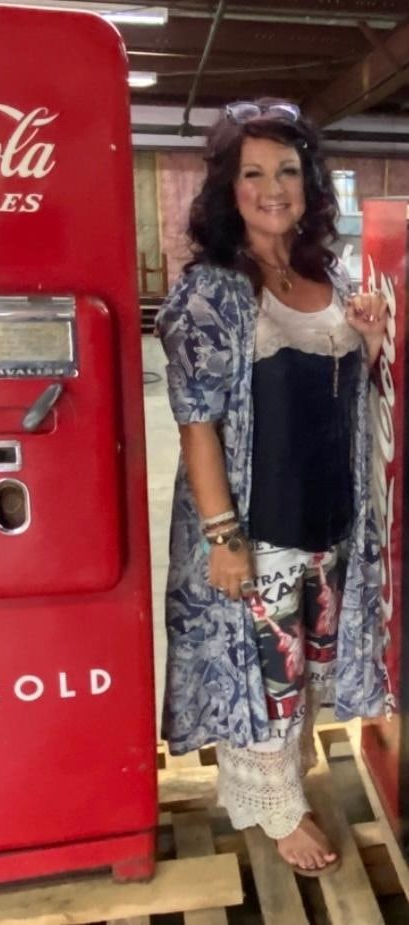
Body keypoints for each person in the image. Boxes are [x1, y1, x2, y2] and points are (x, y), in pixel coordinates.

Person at [156, 98, 391, 876]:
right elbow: (197, 425)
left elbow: (351, 394)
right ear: (227, 188)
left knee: (303, 666)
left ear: (310, 184)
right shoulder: (212, 291)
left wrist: (365, 338)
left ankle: (288, 778)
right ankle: (273, 809)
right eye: (251, 173)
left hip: (330, 517)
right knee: (261, 673)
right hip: (258, 525)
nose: (272, 188)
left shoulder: (326, 272)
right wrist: (222, 538)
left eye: (286, 170)